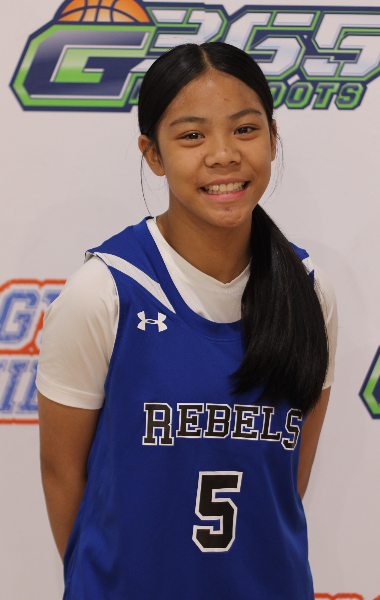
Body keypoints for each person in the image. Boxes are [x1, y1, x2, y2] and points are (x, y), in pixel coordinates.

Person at [37, 42, 338, 599]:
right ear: (152, 154)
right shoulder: (104, 291)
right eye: (192, 135)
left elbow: (287, 480)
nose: (223, 155)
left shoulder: (309, 291)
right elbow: (62, 476)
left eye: (245, 129)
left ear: (273, 138)